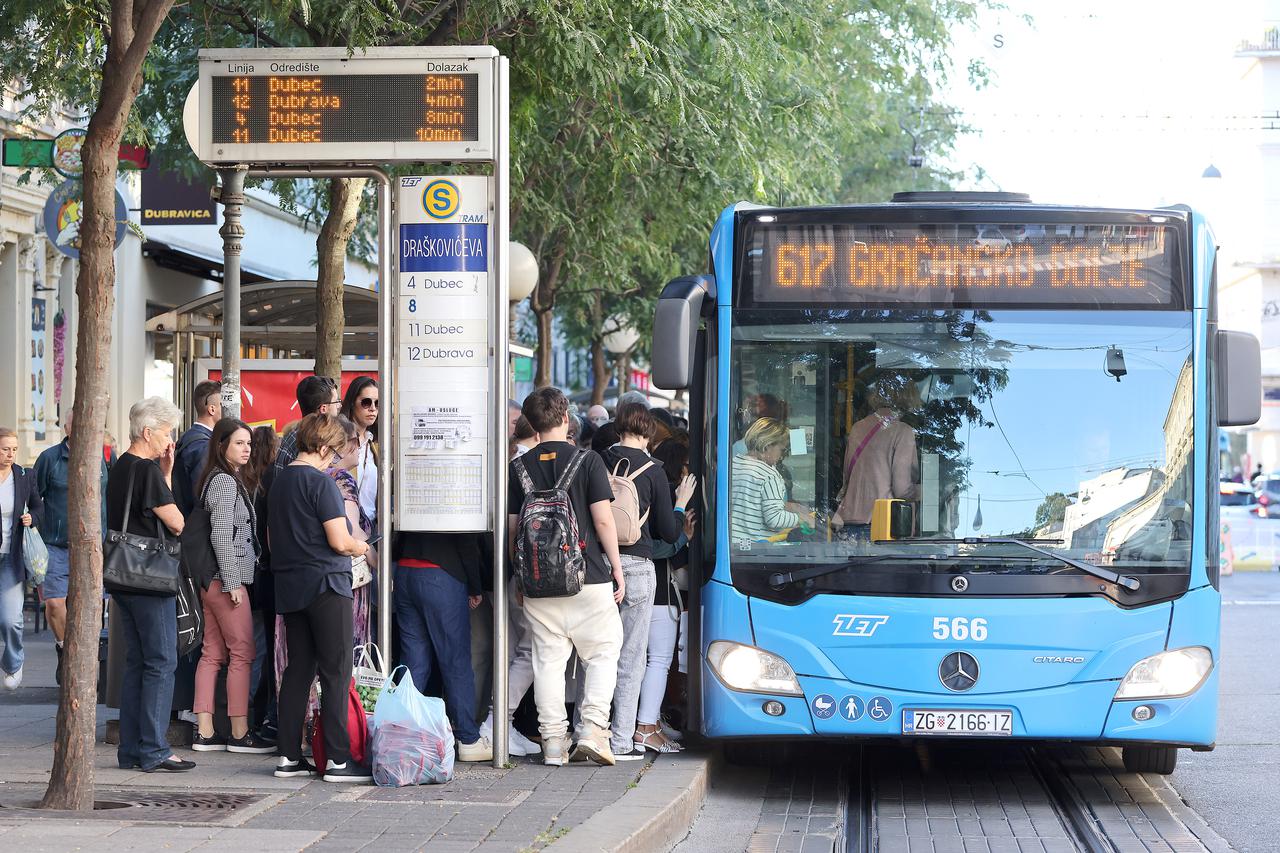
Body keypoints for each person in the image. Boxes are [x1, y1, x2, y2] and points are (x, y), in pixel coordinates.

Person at [508, 386, 625, 767]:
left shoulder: (519, 468)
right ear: (565, 419)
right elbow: (604, 519)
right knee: (604, 652)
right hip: (587, 576)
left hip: (539, 584)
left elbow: (514, 531)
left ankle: (554, 743)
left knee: (547, 661)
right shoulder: (588, 461)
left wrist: (522, 577)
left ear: (533, 423)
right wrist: (617, 569)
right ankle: (592, 730)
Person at [269, 414, 370, 782]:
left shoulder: (279, 483)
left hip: (291, 587)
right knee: (336, 670)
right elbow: (339, 541)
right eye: (335, 453)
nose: (335, 460)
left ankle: (288, 758)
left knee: (298, 671)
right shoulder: (321, 484)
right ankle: (339, 761)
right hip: (327, 585)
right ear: (324, 447)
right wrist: (361, 546)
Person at [601, 404, 696, 758]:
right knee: (632, 656)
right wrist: (680, 502)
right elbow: (669, 531)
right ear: (649, 433)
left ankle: (591, 731)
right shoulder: (653, 470)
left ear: (618, 427)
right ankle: (625, 738)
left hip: (598, 567)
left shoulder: (596, 460)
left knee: (598, 654)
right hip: (638, 566)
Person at [108, 397, 193, 772]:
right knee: (161, 660)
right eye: (165, 431)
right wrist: (164, 476)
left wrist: (167, 471)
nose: (169, 439)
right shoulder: (146, 471)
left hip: (124, 577)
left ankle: (131, 749)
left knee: (136, 662)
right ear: (147, 432)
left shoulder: (122, 466)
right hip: (150, 579)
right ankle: (155, 748)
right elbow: (175, 522)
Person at [188, 418, 271, 754]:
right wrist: (234, 582)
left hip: (212, 580)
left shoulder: (219, 478)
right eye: (239, 443)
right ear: (221, 445)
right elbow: (221, 535)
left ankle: (205, 731)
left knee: (212, 654)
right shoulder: (223, 482)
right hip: (225, 581)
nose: (247, 449)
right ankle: (239, 732)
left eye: (249, 443)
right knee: (243, 652)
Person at [393, 529, 493, 762]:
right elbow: (466, 539)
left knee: (413, 662)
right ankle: (468, 739)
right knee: (455, 661)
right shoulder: (456, 492)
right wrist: (475, 586)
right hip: (443, 574)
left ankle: (402, 736)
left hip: (406, 569)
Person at [32, 411, 110, 684]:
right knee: (54, 604)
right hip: (55, 544)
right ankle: (65, 650)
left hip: (93, 548)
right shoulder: (49, 459)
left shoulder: (103, 458)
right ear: (67, 428)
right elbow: (34, 497)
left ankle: (86, 663)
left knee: (92, 610)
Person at [638, 435, 695, 751]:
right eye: (687, 464)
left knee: (643, 659)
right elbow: (667, 545)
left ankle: (651, 722)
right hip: (661, 590)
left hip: (644, 586)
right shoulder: (672, 498)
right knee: (658, 660)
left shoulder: (643, 490)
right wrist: (684, 536)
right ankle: (645, 727)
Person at [832, 377, 920, 537]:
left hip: (849, 523)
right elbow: (901, 489)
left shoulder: (857, 428)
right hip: (881, 525)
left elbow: (847, 477)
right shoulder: (903, 431)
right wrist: (924, 492)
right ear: (908, 398)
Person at [243, 425, 279, 739]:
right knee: (264, 648)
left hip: (252, 576)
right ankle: (260, 713)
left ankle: (253, 715)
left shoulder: (247, 482)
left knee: (253, 646)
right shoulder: (269, 484)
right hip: (263, 575)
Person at [0, 428, 42, 691]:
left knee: (11, 618)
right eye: (5, 449)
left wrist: (32, 518)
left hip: (12, 556)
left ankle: (14, 663)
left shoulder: (24, 476)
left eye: (14, 449)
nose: (10, 454)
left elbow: (39, 507)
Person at [326, 416, 373, 652]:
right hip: (348, 577)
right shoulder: (342, 478)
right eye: (355, 440)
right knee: (349, 650)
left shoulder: (315, 474)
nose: (359, 446)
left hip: (318, 579)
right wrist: (375, 558)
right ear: (343, 444)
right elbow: (352, 530)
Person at [729, 417, 809, 543]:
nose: (782, 456)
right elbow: (774, 518)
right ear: (767, 446)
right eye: (782, 450)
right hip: (757, 548)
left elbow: (750, 503)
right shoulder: (769, 475)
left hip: (733, 544)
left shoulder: (732, 465)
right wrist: (802, 519)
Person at [173, 380, 222, 516]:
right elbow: (203, 494)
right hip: (196, 525)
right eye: (223, 405)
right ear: (212, 409)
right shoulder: (204, 445)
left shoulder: (189, 437)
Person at [274, 377, 342, 472]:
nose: (340, 406)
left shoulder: (296, 433)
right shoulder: (310, 441)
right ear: (323, 409)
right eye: (337, 402)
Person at [339, 376, 379, 532]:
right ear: (352, 403)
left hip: (372, 527)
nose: (373, 409)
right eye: (366, 402)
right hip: (346, 528)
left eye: (377, 403)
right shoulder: (339, 441)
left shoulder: (375, 444)